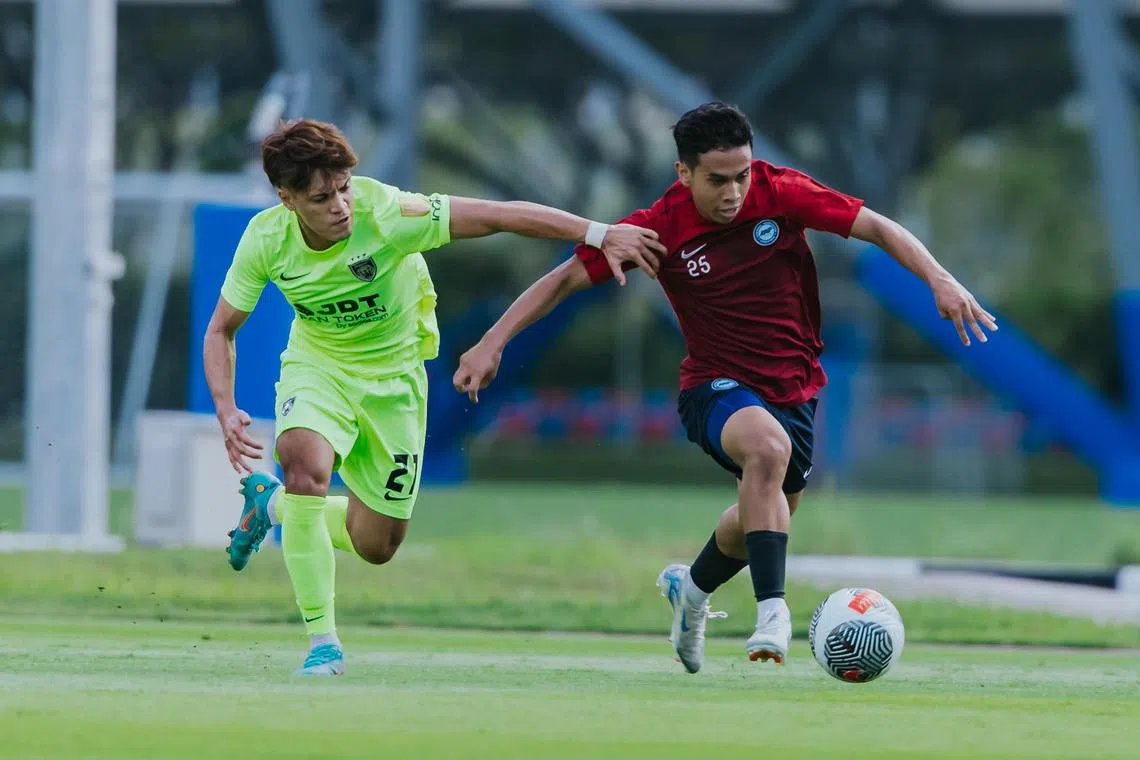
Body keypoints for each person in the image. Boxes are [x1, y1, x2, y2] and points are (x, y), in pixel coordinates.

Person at [452, 102, 997, 673]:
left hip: (795, 386)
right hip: (715, 387)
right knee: (766, 450)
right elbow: (564, 278)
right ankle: (773, 613)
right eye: (718, 179)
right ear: (684, 173)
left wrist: (940, 277)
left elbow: (877, 227)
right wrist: (493, 342)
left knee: (762, 512)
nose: (734, 191)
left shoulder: (782, 192)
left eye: (742, 175)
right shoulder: (658, 229)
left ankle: (689, 592)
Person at [202, 118, 666, 677]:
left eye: (345, 188)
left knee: (376, 544)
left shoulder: (391, 214)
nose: (342, 206)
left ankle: (269, 505)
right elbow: (221, 329)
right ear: (287, 198)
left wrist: (597, 232)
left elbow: (501, 215)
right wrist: (226, 408)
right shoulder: (265, 239)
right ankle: (322, 642)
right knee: (304, 466)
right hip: (317, 368)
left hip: (396, 380)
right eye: (322, 198)